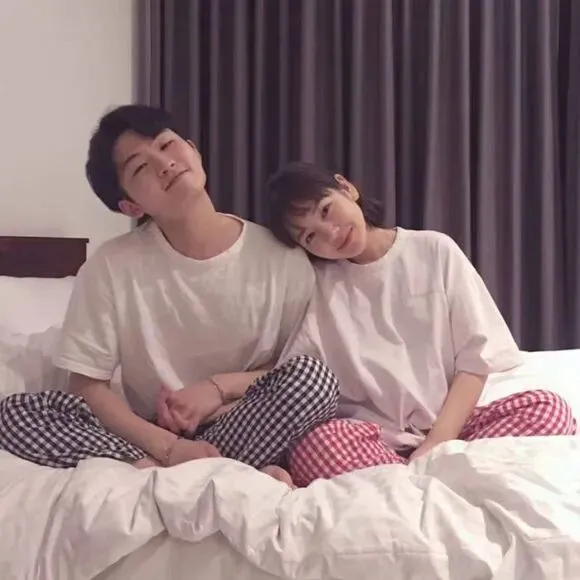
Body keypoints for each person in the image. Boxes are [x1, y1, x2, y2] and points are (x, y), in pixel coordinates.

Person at [0, 106, 340, 486]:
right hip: (154, 438)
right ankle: (214, 474)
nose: (165, 164)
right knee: (16, 412)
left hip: (246, 421)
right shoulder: (110, 266)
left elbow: (289, 367)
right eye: (140, 167)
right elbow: (87, 387)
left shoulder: (282, 258)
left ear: (193, 149)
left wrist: (215, 389)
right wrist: (169, 448)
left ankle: (186, 475)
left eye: (166, 145)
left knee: (315, 380)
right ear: (131, 205)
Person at [265, 161, 577, 487]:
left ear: (347, 188)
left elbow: (476, 360)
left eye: (326, 210)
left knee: (548, 409)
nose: (331, 233)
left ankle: (411, 482)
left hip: (454, 428)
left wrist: (437, 442)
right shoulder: (321, 287)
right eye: (310, 236)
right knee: (317, 446)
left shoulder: (433, 250)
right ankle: (430, 481)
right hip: (376, 440)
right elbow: (292, 376)